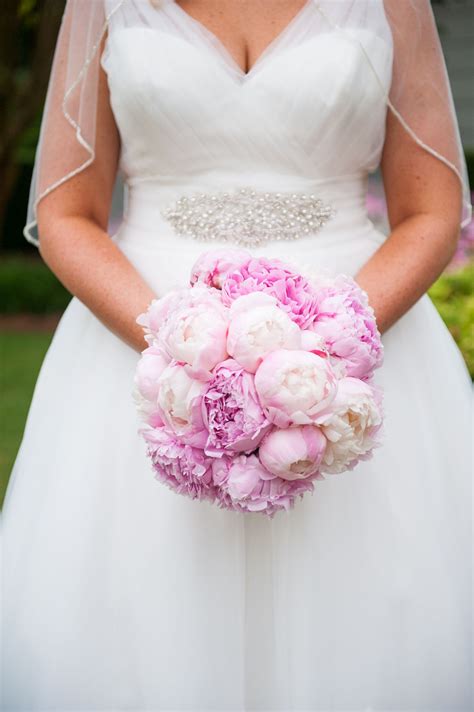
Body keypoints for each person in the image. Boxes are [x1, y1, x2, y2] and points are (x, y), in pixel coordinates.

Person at [2, 0, 472, 709]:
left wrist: (318, 348)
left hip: (354, 337)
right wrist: (181, 350)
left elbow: (432, 210)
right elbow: (67, 212)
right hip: (146, 344)